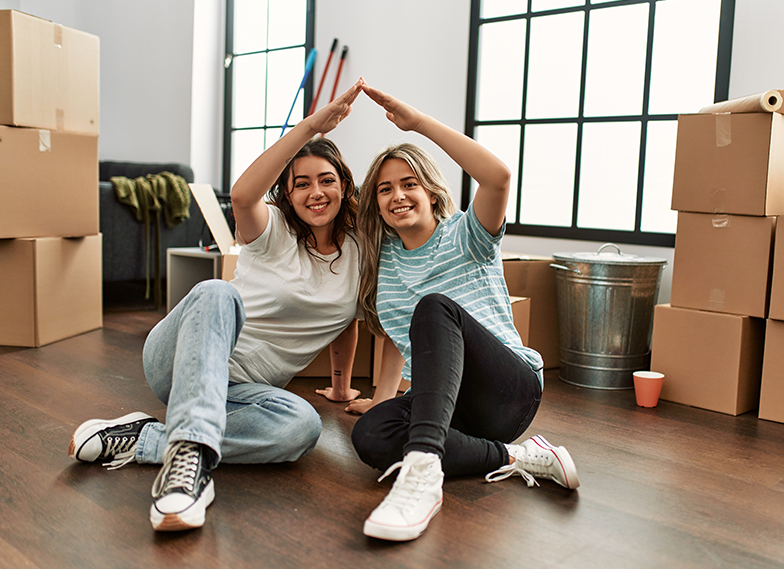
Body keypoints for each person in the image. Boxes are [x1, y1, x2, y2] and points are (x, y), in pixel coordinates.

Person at [68, 78, 367, 532]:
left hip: (243, 396)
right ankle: (189, 472)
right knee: (217, 291)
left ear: (345, 186)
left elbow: (345, 322)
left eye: (327, 180)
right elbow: (245, 194)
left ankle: (149, 439)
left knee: (303, 428)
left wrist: (342, 387)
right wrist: (311, 127)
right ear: (287, 194)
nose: (315, 192)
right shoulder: (272, 235)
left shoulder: (360, 254)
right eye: (300, 183)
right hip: (181, 362)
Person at [351, 82, 579, 543]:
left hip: (506, 389)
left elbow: (497, 176)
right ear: (375, 203)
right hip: (445, 409)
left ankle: (421, 475)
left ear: (432, 193)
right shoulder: (383, 262)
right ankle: (518, 458)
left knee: (435, 308)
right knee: (370, 434)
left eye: (409, 183)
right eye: (385, 189)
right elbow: (400, 340)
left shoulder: (467, 236)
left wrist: (418, 125)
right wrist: (382, 399)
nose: (398, 195)